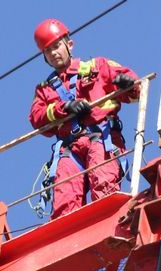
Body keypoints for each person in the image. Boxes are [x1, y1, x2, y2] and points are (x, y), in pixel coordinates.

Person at [29, 18, 140, 219]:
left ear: (69, 44)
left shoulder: (97, 66)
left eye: (56, 46)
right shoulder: (45, 89)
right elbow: (37, 118)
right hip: (70, 148)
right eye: (47, 50)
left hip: (101, 138)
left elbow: (132, 87)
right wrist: (64, 108)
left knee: (104, 184)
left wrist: (129, 84)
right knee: (64, 200)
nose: (53, 53)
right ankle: (66, 240)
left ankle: (109, 224)